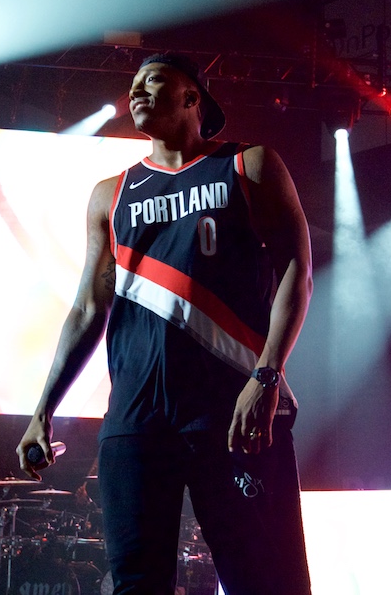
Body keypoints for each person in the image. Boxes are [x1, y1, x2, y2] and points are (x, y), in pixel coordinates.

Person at [16, 52, 313, 595]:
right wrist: (42, 410)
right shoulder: (111, 192)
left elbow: (300, 270)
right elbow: (88, 306)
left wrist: (267, 375)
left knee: (267, 582)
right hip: (135, 418)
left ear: (193, 98)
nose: (136, 91)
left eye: (153, 81)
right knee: (136, 585)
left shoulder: (249, 165)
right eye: (132, 85)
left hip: (232, 407)